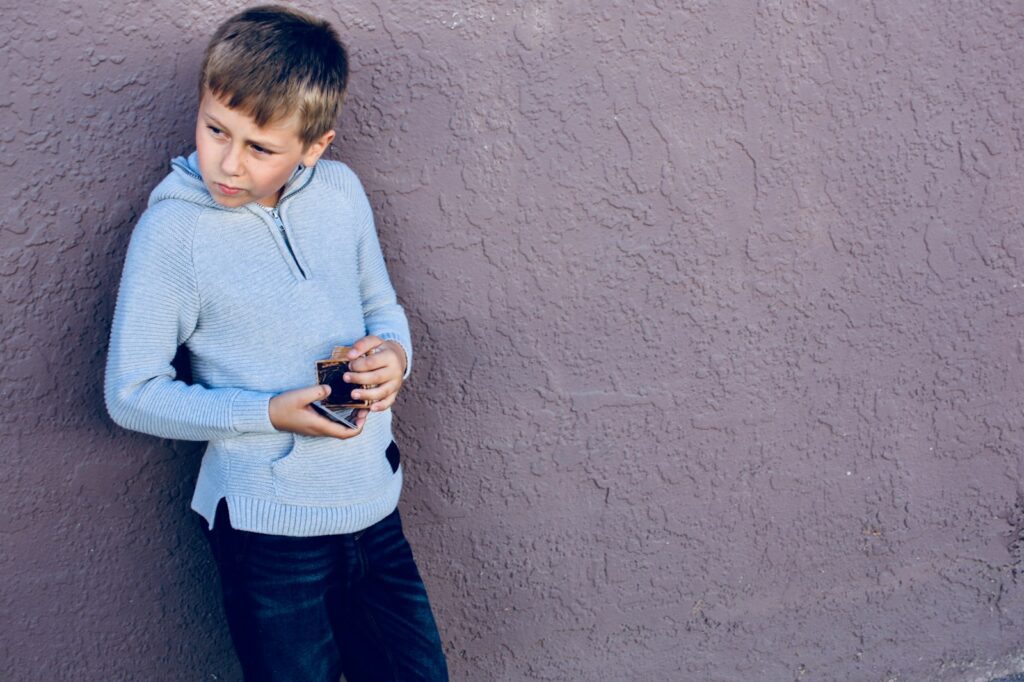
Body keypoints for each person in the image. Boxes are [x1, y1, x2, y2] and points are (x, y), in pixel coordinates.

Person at [103, 6, 448, 680]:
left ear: (315, 147)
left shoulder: (343, 194)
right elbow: (130, 395)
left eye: (260, 148)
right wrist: (265, 412)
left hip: (373, 513)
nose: (228, 163)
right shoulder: (172, 236)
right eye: (214, 130)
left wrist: (395, 359)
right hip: (268, 534)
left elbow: (384, 309)